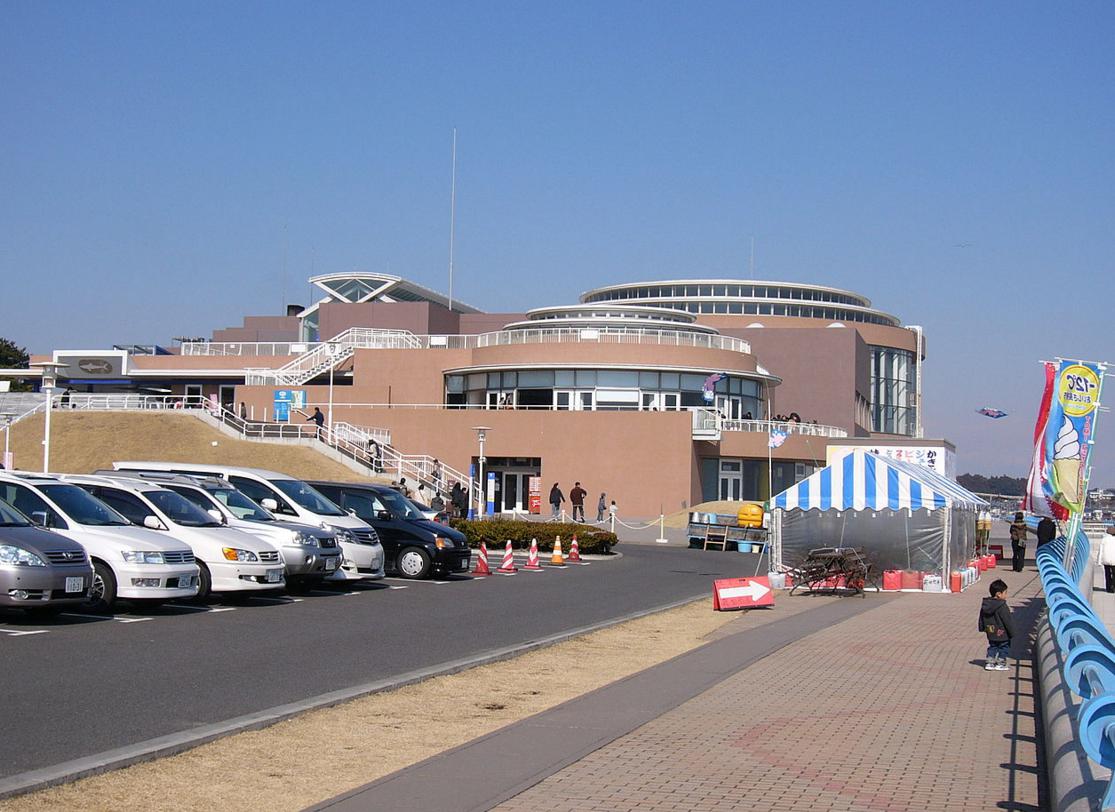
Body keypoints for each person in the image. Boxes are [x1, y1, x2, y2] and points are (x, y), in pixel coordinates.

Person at [979, 578, 1015, 671]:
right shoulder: (1002, 606)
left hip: (990, 631)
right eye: (1005, 592)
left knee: (993, 646)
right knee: (1004, 646)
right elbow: (1007, 620)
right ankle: (1001, 663)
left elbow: (982, 617)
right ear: (998, 594)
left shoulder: (986, 604)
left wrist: (982, 627)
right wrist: (1012, 632)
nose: (1006, 595)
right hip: (1002, 632)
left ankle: (990, 662)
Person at [1100, 527, 1115, 593]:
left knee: (1107, 573)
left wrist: (1099, 561)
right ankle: (1113, 586)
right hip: (1114, 560)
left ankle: (1108, 588)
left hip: (1106, 559)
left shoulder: (1104, 539)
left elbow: (1101, 551)